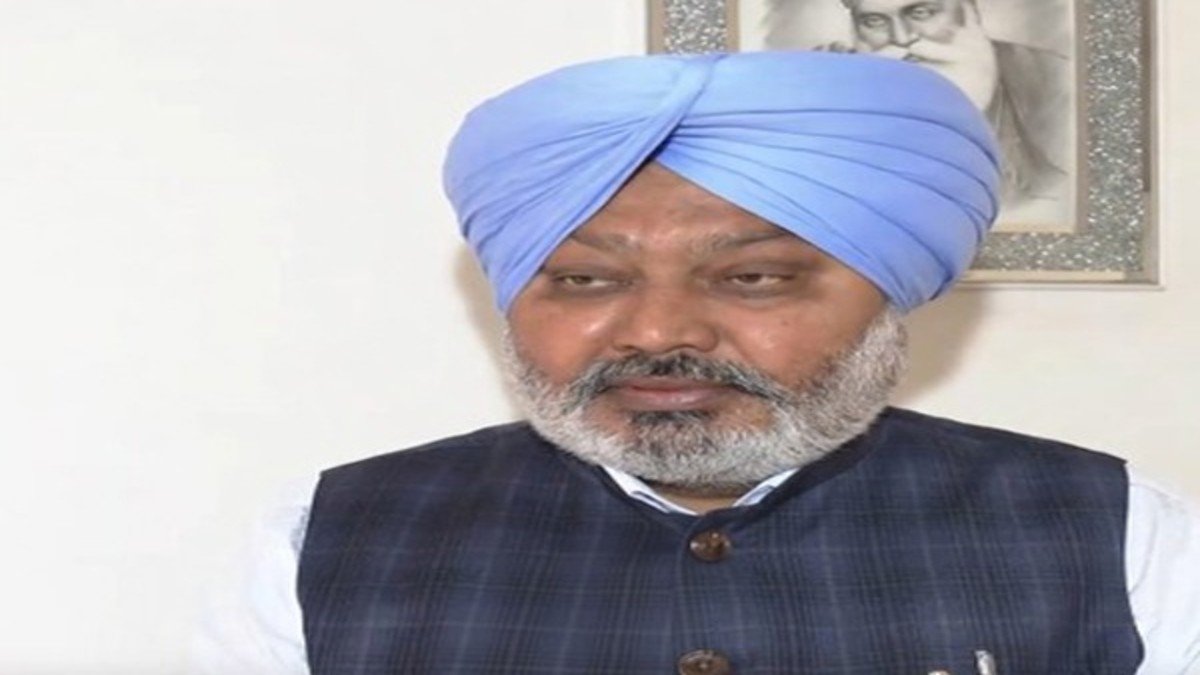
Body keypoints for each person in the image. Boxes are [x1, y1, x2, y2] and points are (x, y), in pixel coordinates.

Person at [194, 51, 1200, 674]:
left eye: (752, 279)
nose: (655, 331)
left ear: (888, 295)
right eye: (585, 280)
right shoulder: (330, 538)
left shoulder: (1121, 536)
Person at [800, 0, 1070, 210]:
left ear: (970, 11)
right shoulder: (833, 85)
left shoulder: (1055, 78)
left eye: (921, 13)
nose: (902, 38)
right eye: (874, 21)